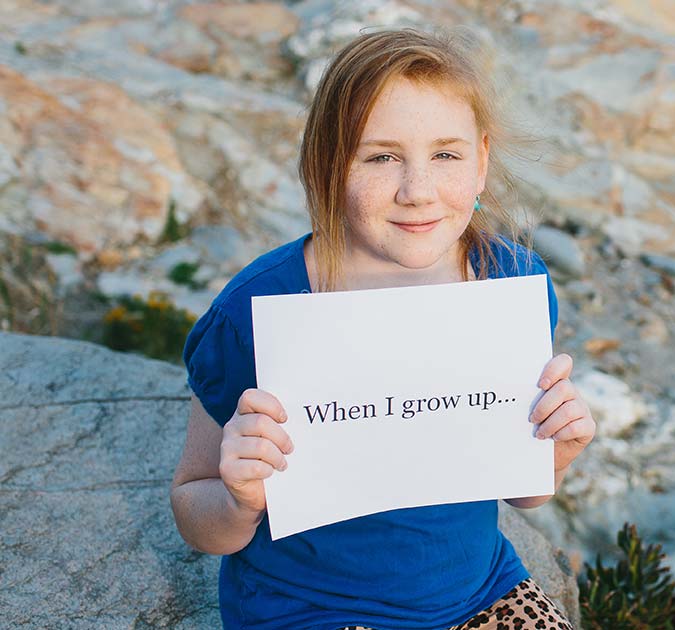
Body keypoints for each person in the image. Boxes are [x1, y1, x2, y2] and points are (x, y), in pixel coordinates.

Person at [169, 28, 595, 630]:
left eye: (446, 155)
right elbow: (194, 511)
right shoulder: (259, 307)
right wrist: (239, 498)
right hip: (308, 610)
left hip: (480, 593)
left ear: (482, 161)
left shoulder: (510, 282)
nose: (417, 191)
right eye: (380, 156)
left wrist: (555, 454)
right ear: (328, 166)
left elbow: (521, 493)